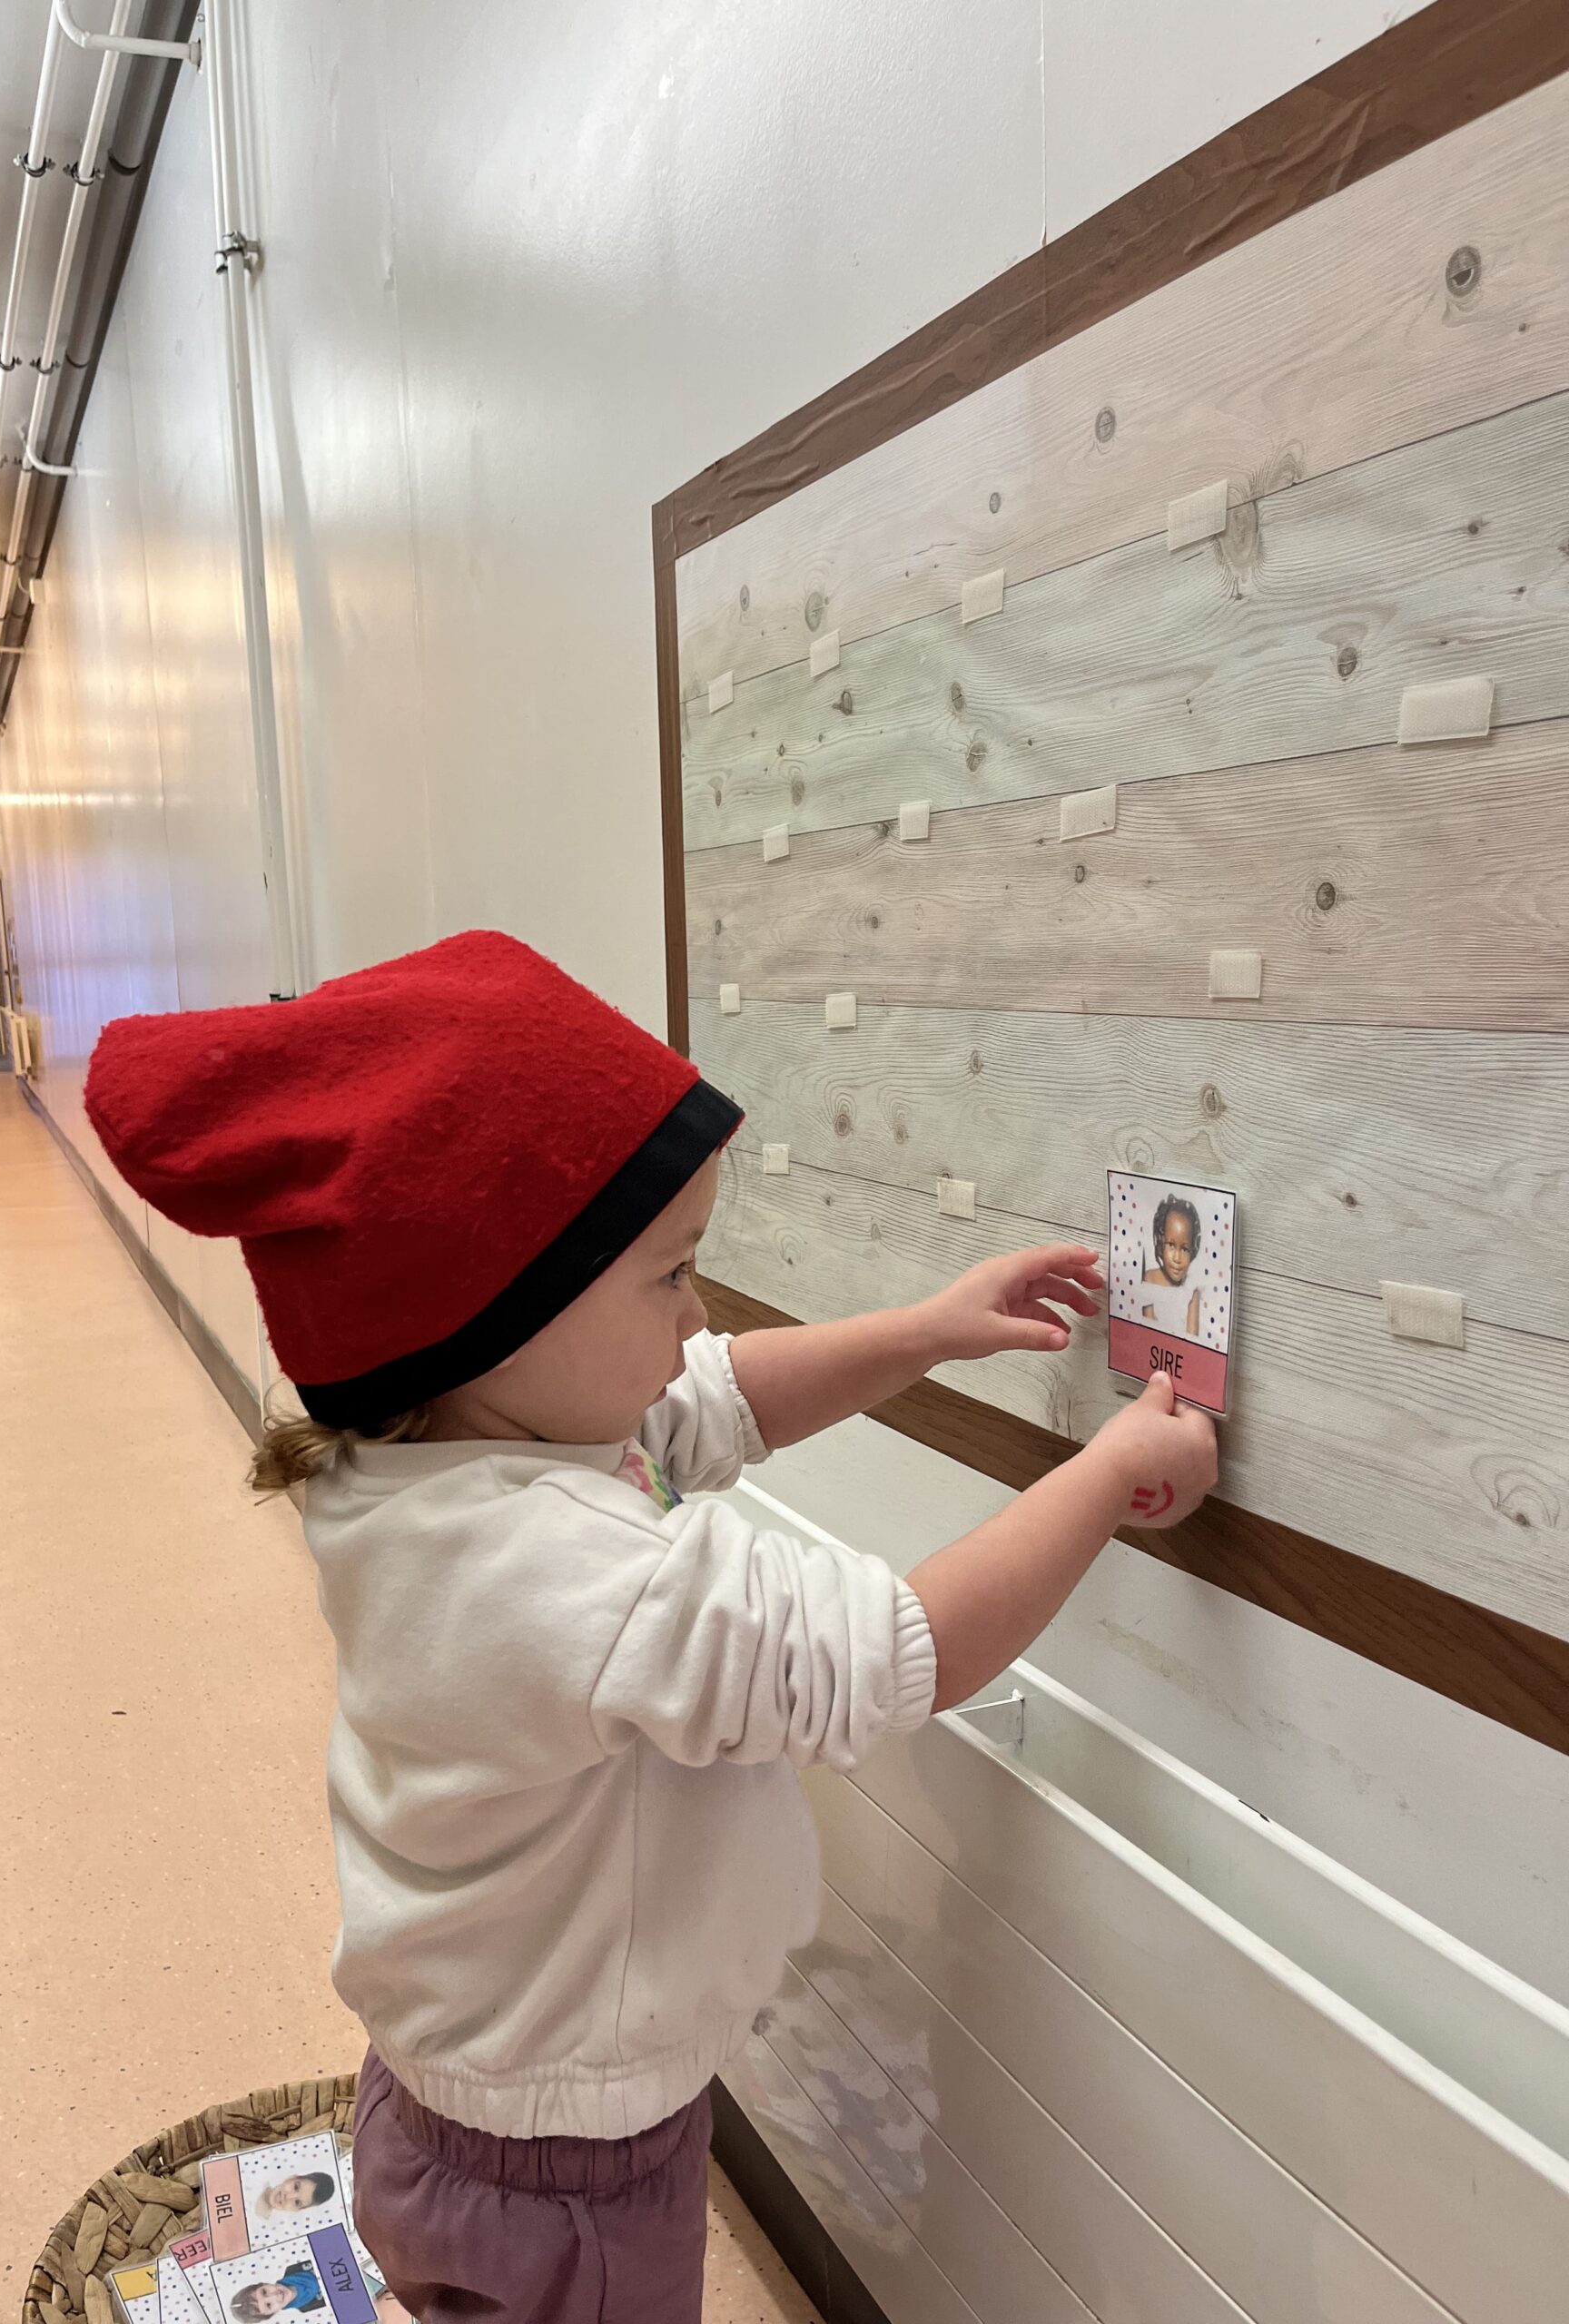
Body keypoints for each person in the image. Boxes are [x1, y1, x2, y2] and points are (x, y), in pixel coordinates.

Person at [85, 932, 1215, 2324]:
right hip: (565, 2181)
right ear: (496, 1317)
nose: (697, 1312)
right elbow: (894, 1651)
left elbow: (721, 1398)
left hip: (458, 2110)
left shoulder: (443, 1457)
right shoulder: (556, 1574)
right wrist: (1108, 1476)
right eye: (670, 1274)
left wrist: (926, 1330)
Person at [1141, 1192, 1203, 1339]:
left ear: (1193, 1249)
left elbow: (1192, 1338)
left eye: (1185, 1249)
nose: (1177, 1258)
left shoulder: (1192, 1290)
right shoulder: (1149, 1279)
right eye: (1171, 1245)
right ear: (1160, 1241)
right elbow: (1147, 1330)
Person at [228, 2262, 327, 2319]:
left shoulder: (293, 2267)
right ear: (273, 2313)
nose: (276, 2296)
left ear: (264, 2284)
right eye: (269, 2305)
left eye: (264, 2292)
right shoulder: (307, 2308)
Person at [252, 2170, 337, 2218]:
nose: (288, 2196)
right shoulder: (257, 2179)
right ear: (291, 2178)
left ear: (296, 2210)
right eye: (296, 2187)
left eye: (297, 2202)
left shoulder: (268, 2226)